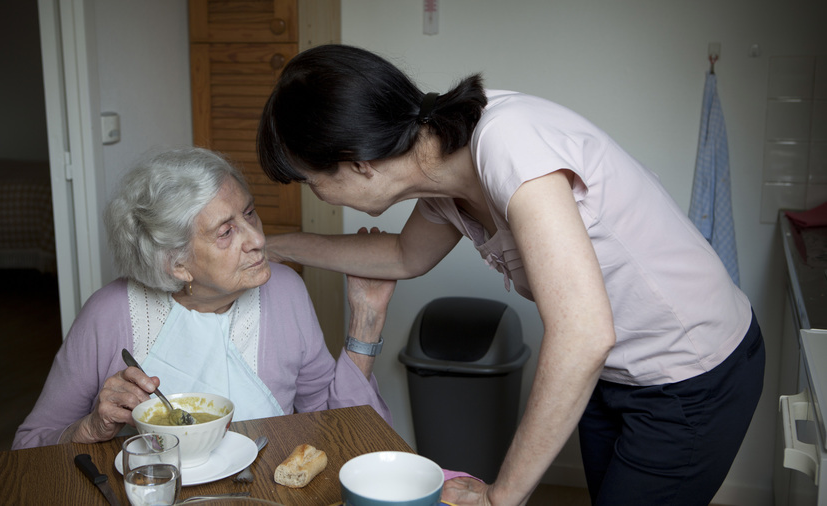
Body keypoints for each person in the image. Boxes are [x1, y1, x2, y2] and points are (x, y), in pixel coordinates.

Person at [257, 44, 764, 506]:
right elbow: (403, 257)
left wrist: (503, 497)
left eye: (310, 182)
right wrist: (270, 248)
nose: (317, 195)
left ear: (358, 164)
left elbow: (584, 335)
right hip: (614, 372)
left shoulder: (508, 143)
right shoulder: (441, 173)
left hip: (691, 371)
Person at [13, 147, 394, 449]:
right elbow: (29, 445)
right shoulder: (110, 314)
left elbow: (332, 426)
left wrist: (366, 316)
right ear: (177, 264)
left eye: (250, 213)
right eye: (226, 232)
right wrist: (90, 428)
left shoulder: (284, 291)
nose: (258, 240)